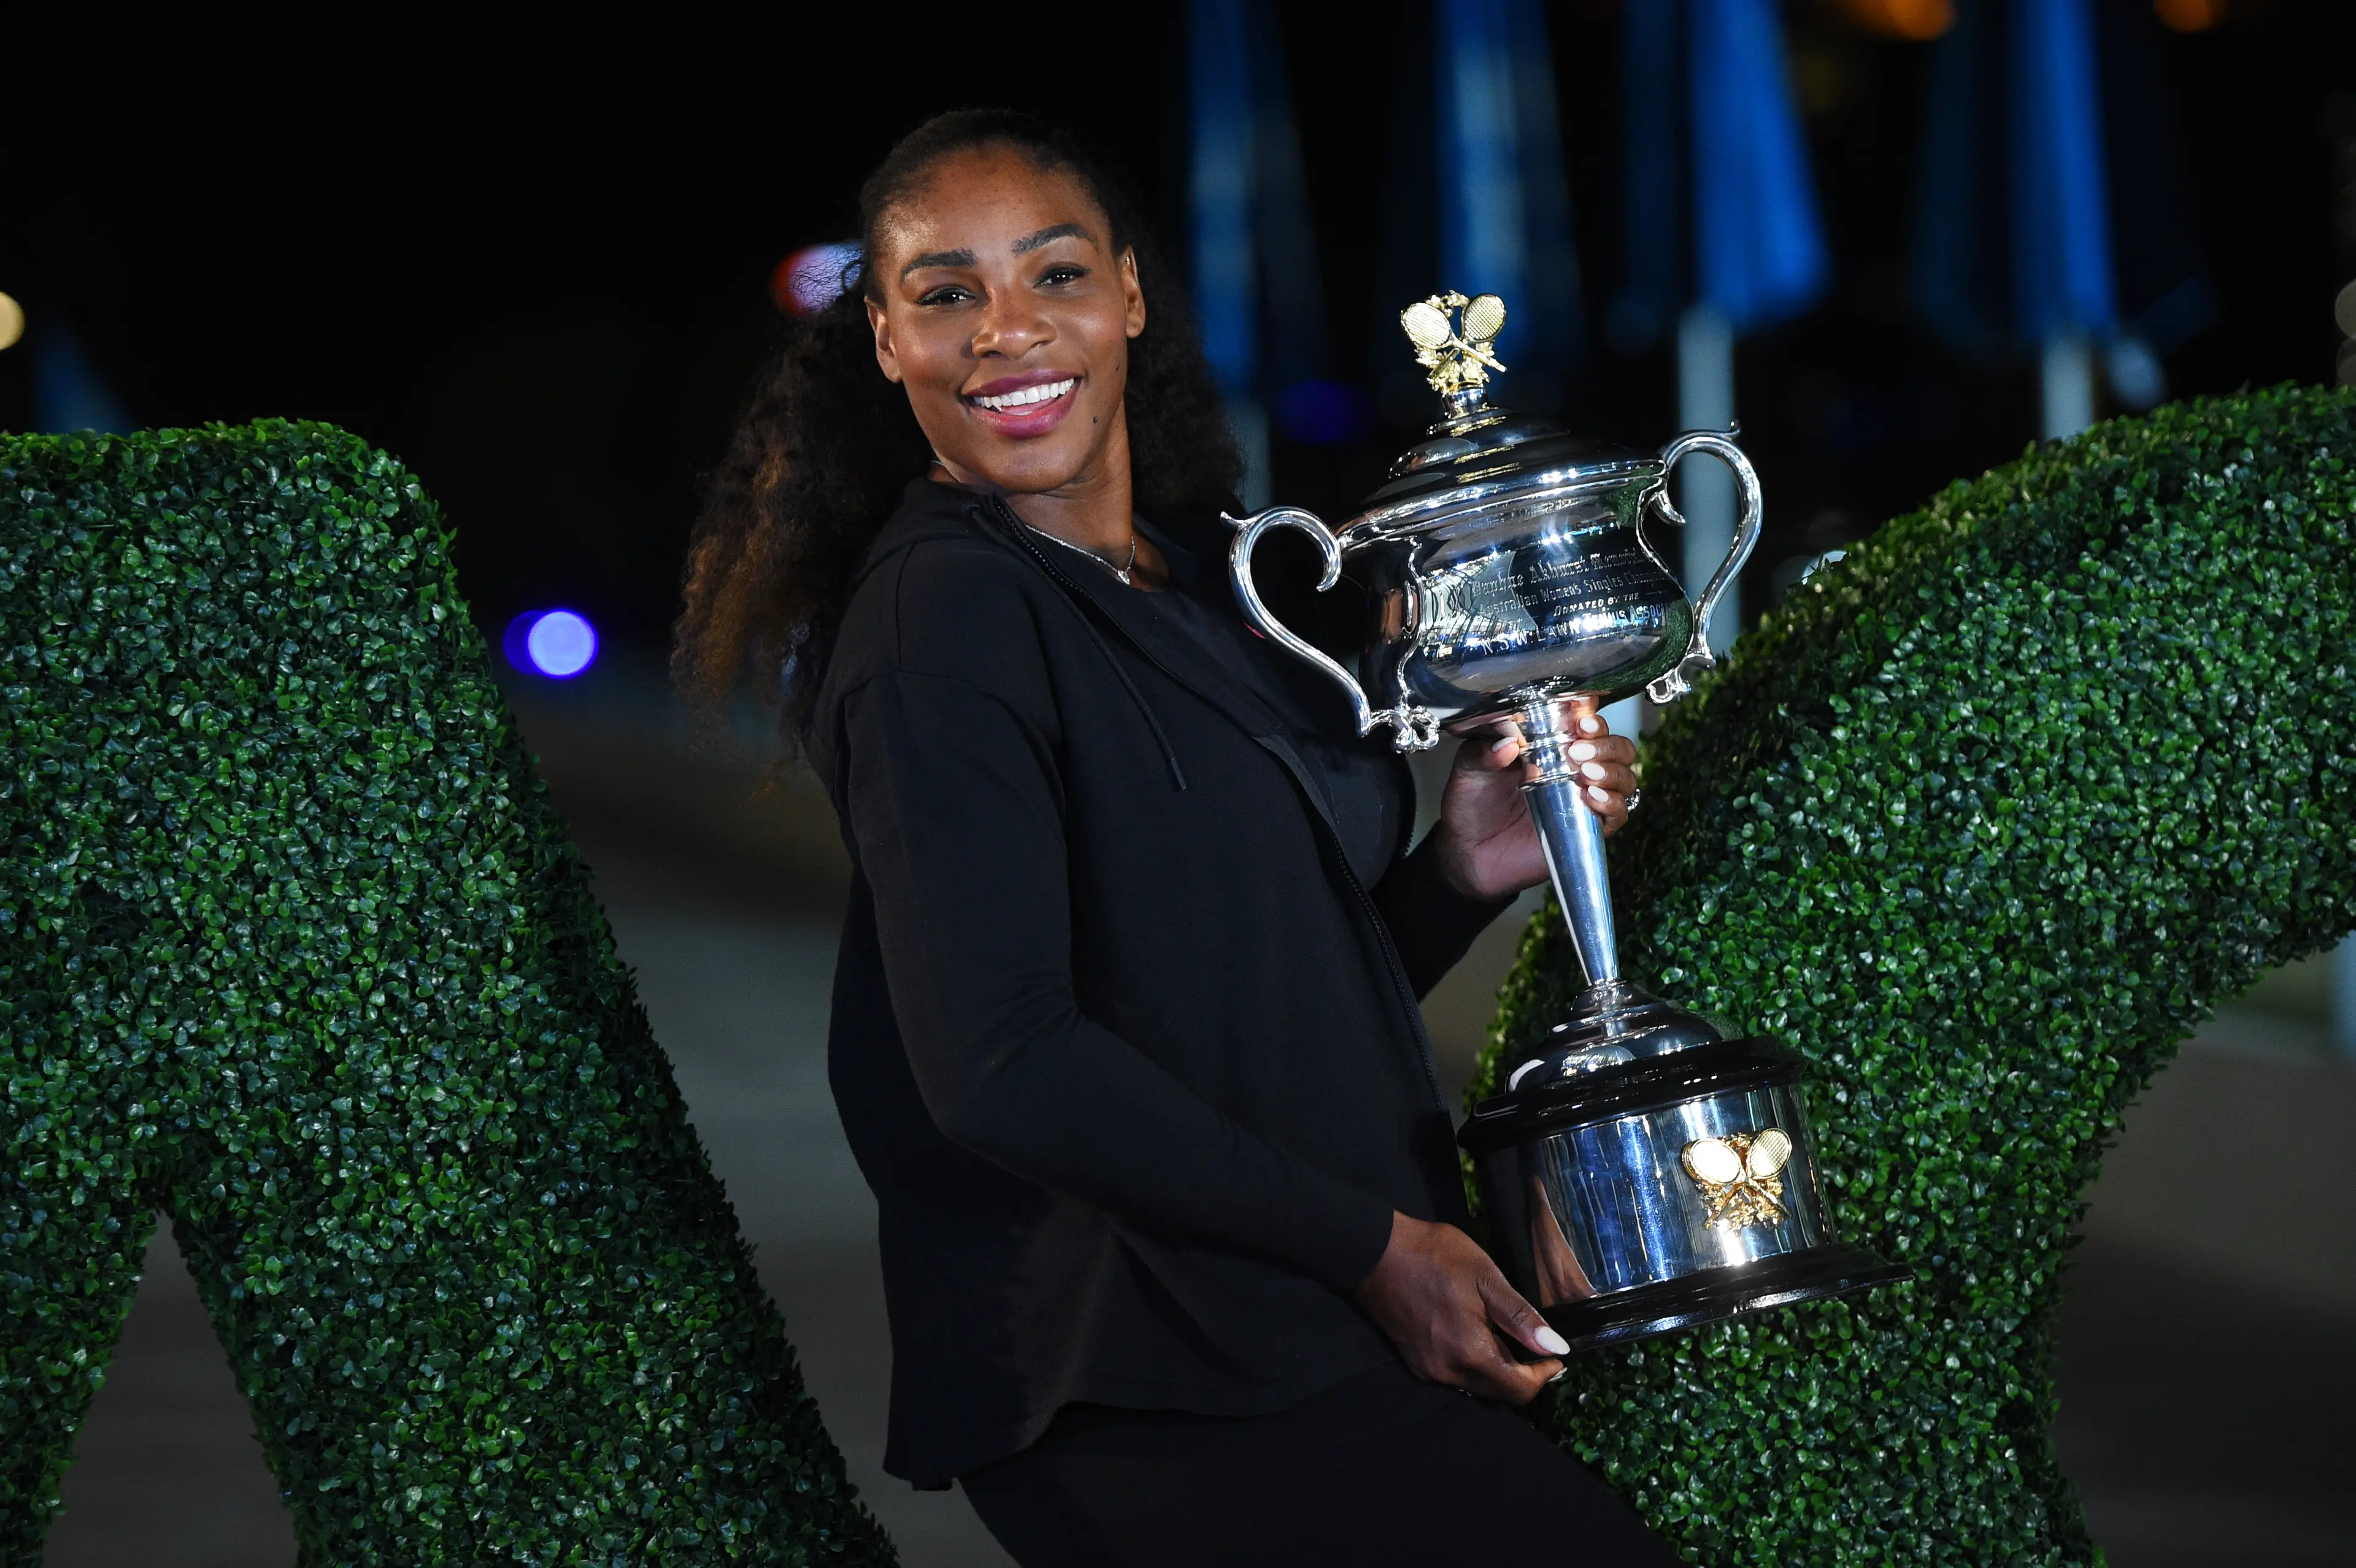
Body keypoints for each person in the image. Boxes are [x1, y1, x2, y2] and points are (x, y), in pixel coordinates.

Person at [675, 109, 1676, 1567]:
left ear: (1130, 297)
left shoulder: (1218, 580)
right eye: (947, 294)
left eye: (1054, 276)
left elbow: (1246, 1009)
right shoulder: (941, 618)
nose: (1007, 333)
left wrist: (1462, 870)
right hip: (1137, 1364)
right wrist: (1379, 1253)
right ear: (887, 342)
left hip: (1310, 1305)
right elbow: (1004, 1065)